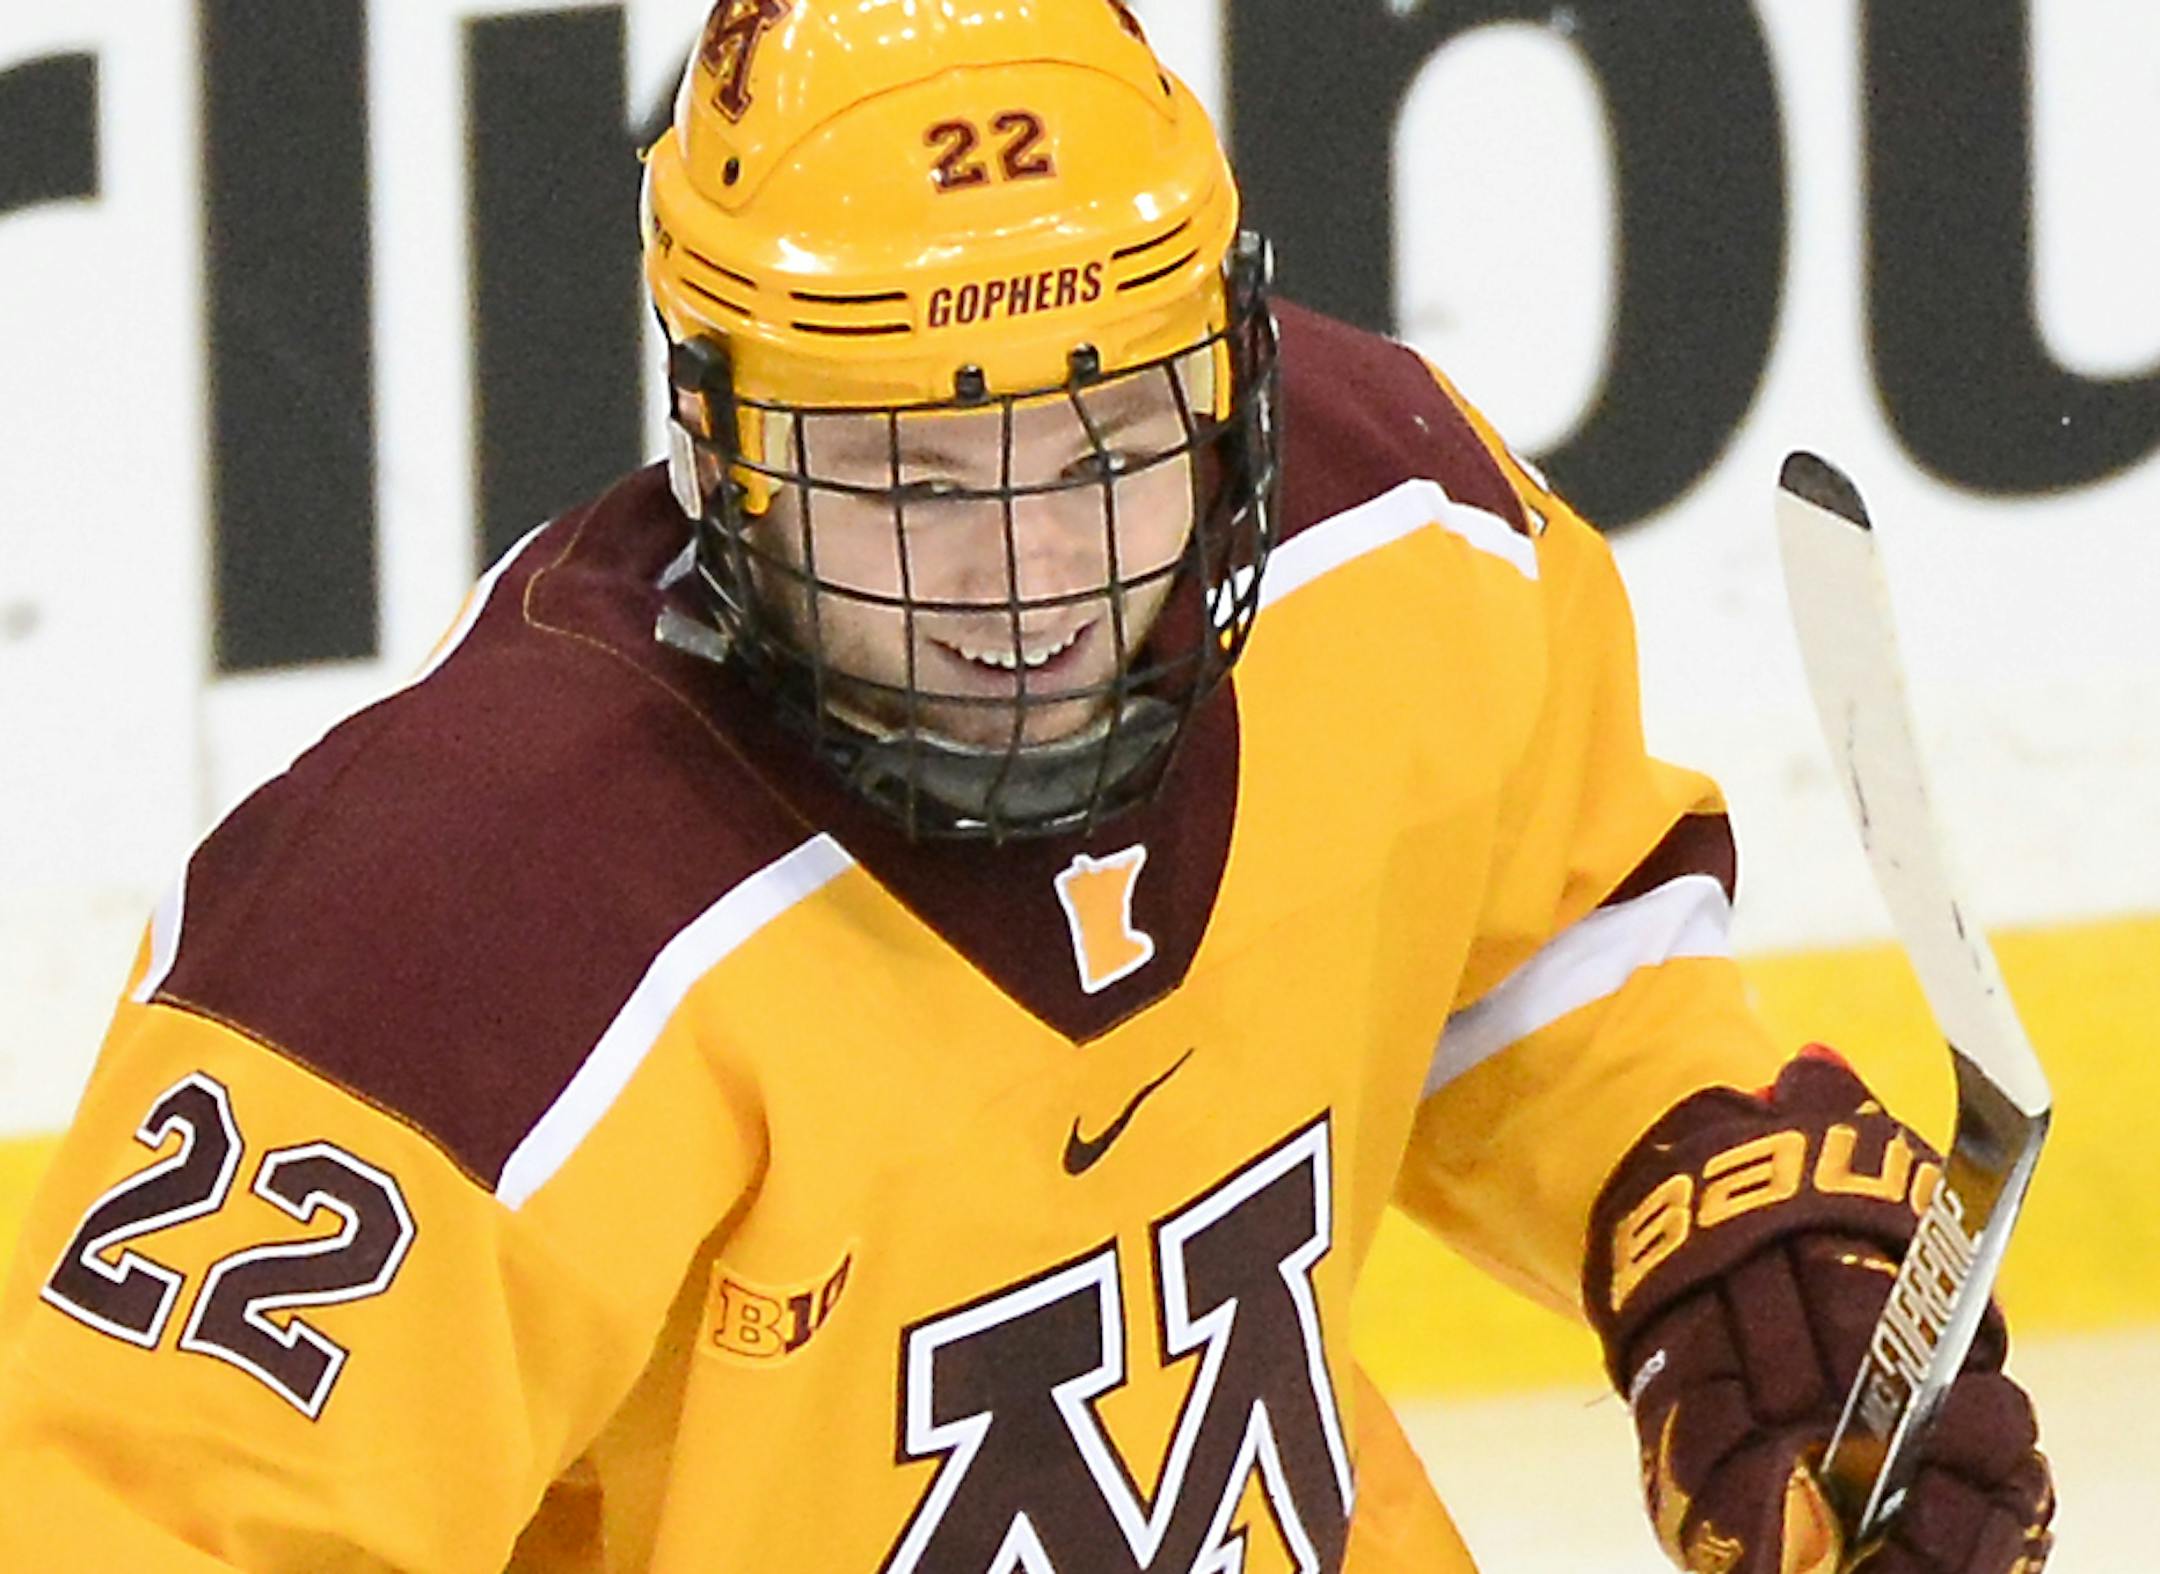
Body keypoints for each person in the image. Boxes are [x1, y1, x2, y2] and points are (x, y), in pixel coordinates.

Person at [0, 2, 2053, 1569]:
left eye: (1109, 444)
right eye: (904, 478)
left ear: (1232, 376)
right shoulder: (454, 943)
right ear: (715, 446)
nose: (1036, 581)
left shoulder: (1395, 549)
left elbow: (1553, 940)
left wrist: (1709, 1215)